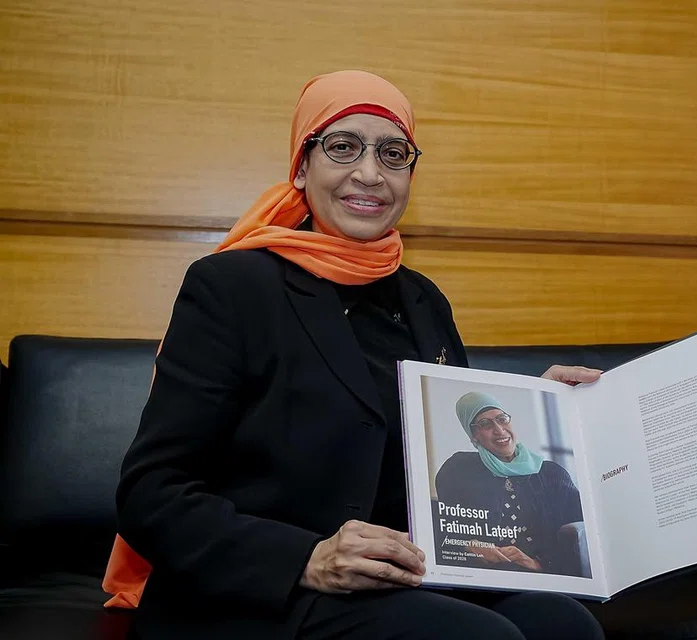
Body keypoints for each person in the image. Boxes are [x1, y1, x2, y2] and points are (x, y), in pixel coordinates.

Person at [101, 70, 605, 640]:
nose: (369, 173)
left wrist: (537, 408)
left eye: (393, 154)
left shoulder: (422, 300)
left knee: (565, 627)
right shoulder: (231, 288)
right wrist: (307, 559)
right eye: (342, 147)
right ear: (300, 167)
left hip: (393, 575)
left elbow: (434, 456)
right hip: (261, 589)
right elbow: (151, 493)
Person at [434, 391, 589, 577]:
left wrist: (536, 563)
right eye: (485, 424)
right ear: (473, 435)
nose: (499, 430)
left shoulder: (551, 474)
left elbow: (581, 534)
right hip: (482, 576)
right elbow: (441, 526)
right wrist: (470, 545)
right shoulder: (459, 469)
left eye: (502, 419)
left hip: (542, 578)